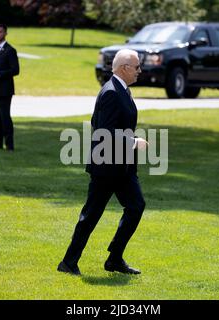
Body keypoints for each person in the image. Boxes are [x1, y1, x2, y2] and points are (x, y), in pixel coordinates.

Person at [58, 49, 148, 276]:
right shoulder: (110, 92)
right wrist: (133, 142)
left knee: (136, 206)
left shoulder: (122, 90)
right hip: (106, 166)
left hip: (123, 167)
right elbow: (103, 131)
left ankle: (115, 258)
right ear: (124, 68)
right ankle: (68, 263)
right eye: (137, 67)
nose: (140, 71)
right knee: (91, 215)